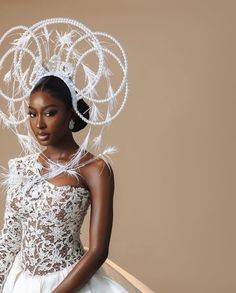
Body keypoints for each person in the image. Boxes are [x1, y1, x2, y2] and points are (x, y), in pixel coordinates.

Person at [0, 18, 154, 292]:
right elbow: (10, 239)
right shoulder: (19, 167)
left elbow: (98, 251)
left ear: (71, 112)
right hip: (20, 284)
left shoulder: (94, 169)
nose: (39, 125)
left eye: (49, 112)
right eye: (32, 114)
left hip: (69, 284)